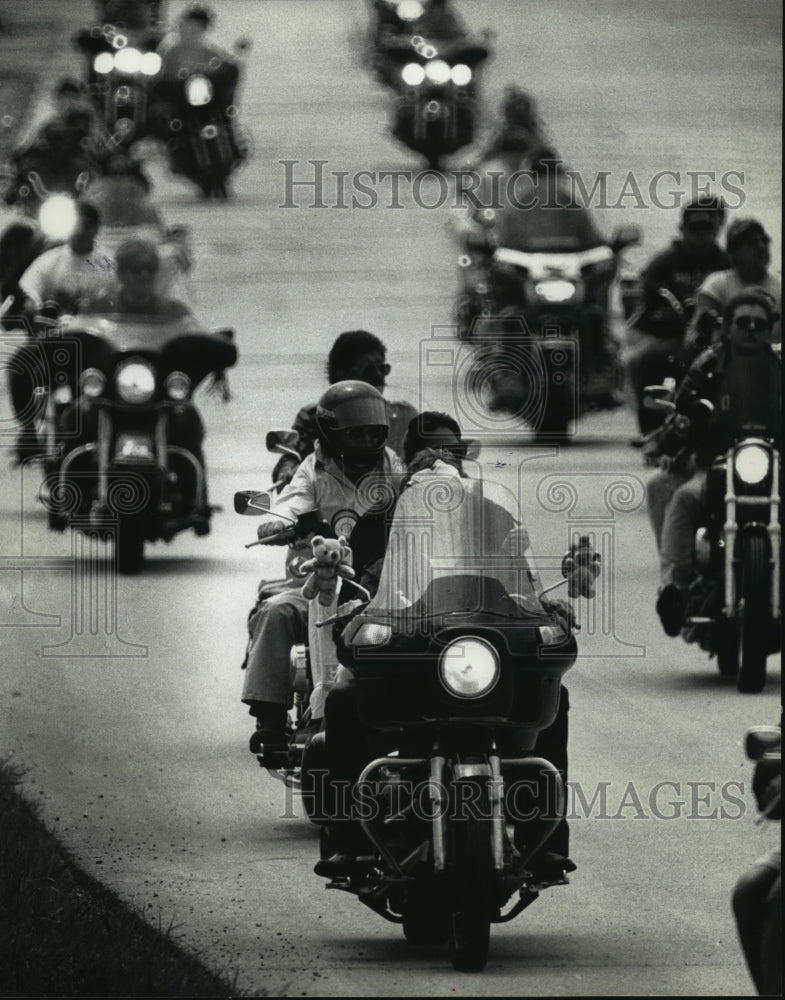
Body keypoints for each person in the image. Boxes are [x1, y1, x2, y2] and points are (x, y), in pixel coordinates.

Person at [315, 436, 576, 883]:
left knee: (557, 697)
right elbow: (357, 586)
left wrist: (546, 608)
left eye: (449, 485)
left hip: (477, 664)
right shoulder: (379, 525)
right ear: (409, 488)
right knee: (342, 700)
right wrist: (352, 608)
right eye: (428, 483)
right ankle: (347, 840)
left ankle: (547, 842)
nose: (442, 494)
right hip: (409, 666)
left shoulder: (495, 520)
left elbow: (525, 589)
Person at [242, 382, 404, 749]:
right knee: (276, 611)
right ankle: (270, 716)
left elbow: (419, 500)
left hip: (381, 586)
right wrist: (281, 522)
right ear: (332, 432)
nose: (365, 441)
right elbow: (292, 500)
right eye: (355, 433)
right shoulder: (311, 470)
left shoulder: (394, 468)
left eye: (372, 433)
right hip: (316, 582)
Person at [653, 292, 781, 636]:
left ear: (771, 329)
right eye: (743, 322)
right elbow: (681, 412)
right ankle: (674, 590)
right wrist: (679, 428)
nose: (751, 330)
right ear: (728, 328)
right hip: (716, 467)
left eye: (760, 323)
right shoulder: (708, 366)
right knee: (683, 498)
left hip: (778, 468)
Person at [625, 196, 729, 436]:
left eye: (707, 228)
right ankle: (651, 430)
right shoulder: (664, 263)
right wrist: (665, 317)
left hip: (714, 340)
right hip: (672, 337)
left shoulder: (725, 263)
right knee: (644, 361)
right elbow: (644, 305)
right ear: (683, 229)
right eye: (694, 228)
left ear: (717, 229)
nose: (700, 234)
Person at [270, 330, 417, 488]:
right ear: (342, 374)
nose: (378, 375)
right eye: (369, 370)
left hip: (393, 506)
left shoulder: (404, 415)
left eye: (383, 368)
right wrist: (289, 470)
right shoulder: (315, 416)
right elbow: (292, 456)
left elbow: (424, 460)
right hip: (332, 506)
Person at [685, 218, 781, 354]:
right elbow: (695, 334)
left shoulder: (780, 284)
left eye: (764, 241)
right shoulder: (716, 284)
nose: (761, 246)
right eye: (752, 243)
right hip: (727, 364)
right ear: (733, 253)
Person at [18, 201, 115, 316]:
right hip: (58, 331)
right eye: (75, 225)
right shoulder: (49, 260)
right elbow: (29, 288)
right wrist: (34, 303)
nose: (80, 232)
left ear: (97, 228)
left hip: (99, 330)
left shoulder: (111, 263)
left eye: (86, 226)